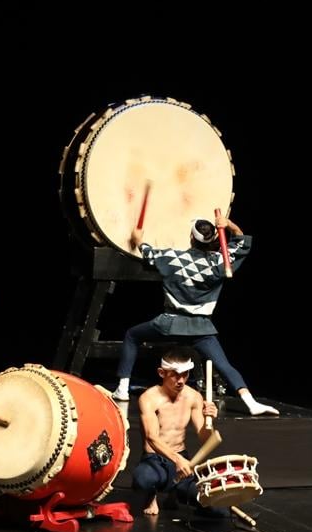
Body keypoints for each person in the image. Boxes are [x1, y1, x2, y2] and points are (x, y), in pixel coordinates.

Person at [111, 214, 279, 416]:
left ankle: (122, 388)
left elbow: (147, 252)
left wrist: (139, 240)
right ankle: (250, 402)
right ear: (213, 240)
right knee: (223, 364)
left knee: (132, 335)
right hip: (201, 328)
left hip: (169, 324)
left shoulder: (173, 258)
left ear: (192, 238)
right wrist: (229, 225)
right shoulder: (220, 261)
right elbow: (241, 241)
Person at [132, 346, 219, 516]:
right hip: (156, 458)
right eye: (175, 375)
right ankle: (151, 496)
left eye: (185, 374)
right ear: (162, 373)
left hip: (182, 459)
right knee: (142, 479)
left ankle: (175, 492)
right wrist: (177, 459)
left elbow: (205, 438)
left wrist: (210, 421)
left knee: (215, 508)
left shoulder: (193, 397)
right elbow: (151, 438)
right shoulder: (149, 398)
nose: (181, 380)